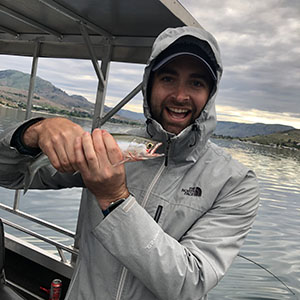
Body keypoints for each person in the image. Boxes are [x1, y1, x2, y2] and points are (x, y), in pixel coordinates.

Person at [0, 26, 259, 299]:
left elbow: (190, 283)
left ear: (210, 94)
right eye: (168, 78)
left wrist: (115, 199)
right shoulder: (107, 145)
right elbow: (9, 175)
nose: (180, 96)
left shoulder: (235, 183)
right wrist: (30, 135)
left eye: (196, 83)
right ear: (149, 84)